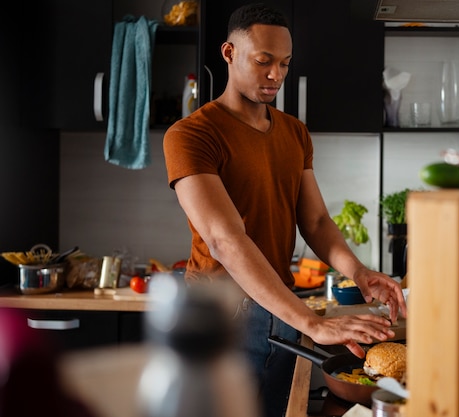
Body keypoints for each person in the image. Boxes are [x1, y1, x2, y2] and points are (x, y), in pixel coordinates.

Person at [163, 3, 407, 416]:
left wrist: (359, 272)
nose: (276, 75)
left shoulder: (293, 132)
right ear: (228, 53)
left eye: (285, 64)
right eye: (263, 61)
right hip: (221, 316)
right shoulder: (191, 135)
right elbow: (225, 240)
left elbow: (315, 220)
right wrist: (313, 324)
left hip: (279, 305)